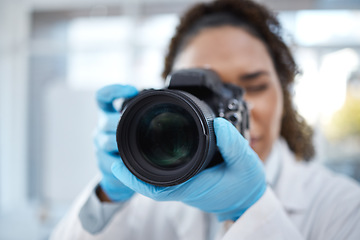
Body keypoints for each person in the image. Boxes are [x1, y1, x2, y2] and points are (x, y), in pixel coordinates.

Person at [50, 0, 360, 239]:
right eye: (201, 95)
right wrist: (107, 197)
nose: (235, 110)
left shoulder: (344, 207)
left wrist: (250, 210)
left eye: (254, 86)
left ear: (285, 94)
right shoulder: (149, 198)